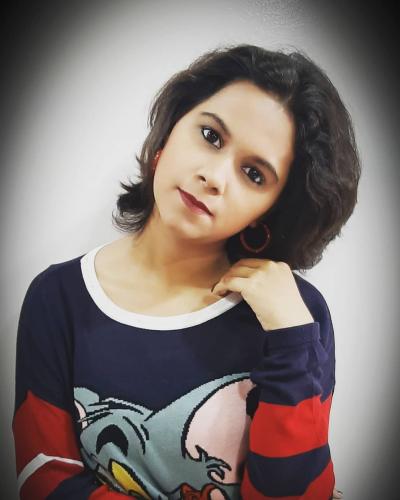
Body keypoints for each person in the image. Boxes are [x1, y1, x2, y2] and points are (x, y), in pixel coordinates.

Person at [12, 43, 359, 499]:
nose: (214, 176)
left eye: (254, 174)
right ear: (170, 131)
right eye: (211, 136)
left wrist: (293, 339)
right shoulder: (58, 298)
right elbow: (45, 478)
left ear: (270, 210)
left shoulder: (295, 316)